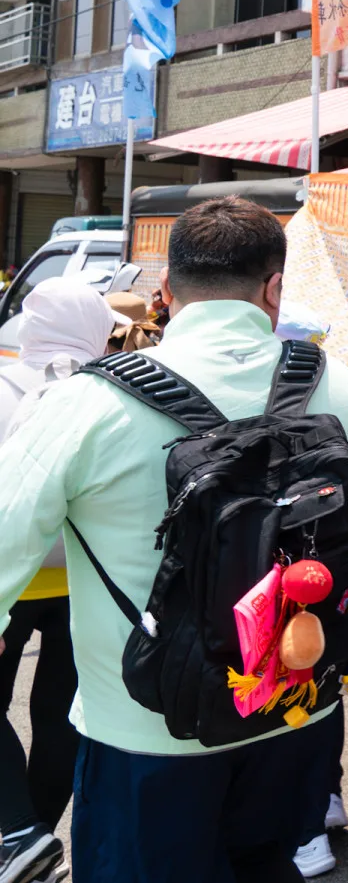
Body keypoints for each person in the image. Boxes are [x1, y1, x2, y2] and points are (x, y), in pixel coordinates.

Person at [0, 198, 348, 882]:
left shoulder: (88, 404)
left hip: (144, 730)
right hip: (291, 716)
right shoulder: (340, 389)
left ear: (164, 293)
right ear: (273, 286)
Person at [0, 279, 127, 881]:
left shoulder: (3, 387)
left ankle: (17, 831)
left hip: (10, 581)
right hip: (84, 579)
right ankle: (39, 832)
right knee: (61, 716)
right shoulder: (107, 393)